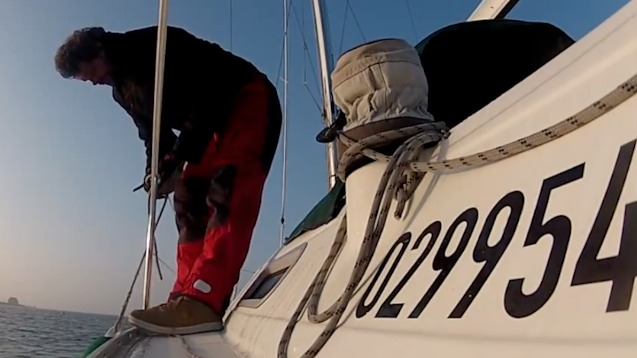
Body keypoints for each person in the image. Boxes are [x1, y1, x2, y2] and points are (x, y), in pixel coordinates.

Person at [54, 25, 282, 335]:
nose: (91, 81)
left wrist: (178, 157)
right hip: (209, 127)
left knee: (228, 190)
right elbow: (153, 136)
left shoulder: (157, 44)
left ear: (98, 50)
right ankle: (185, 294)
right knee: (188, 197)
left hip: (243, 99)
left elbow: (207, 95)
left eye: (88, 72)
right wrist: (156, 170)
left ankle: (204, 297)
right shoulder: (122, 92)